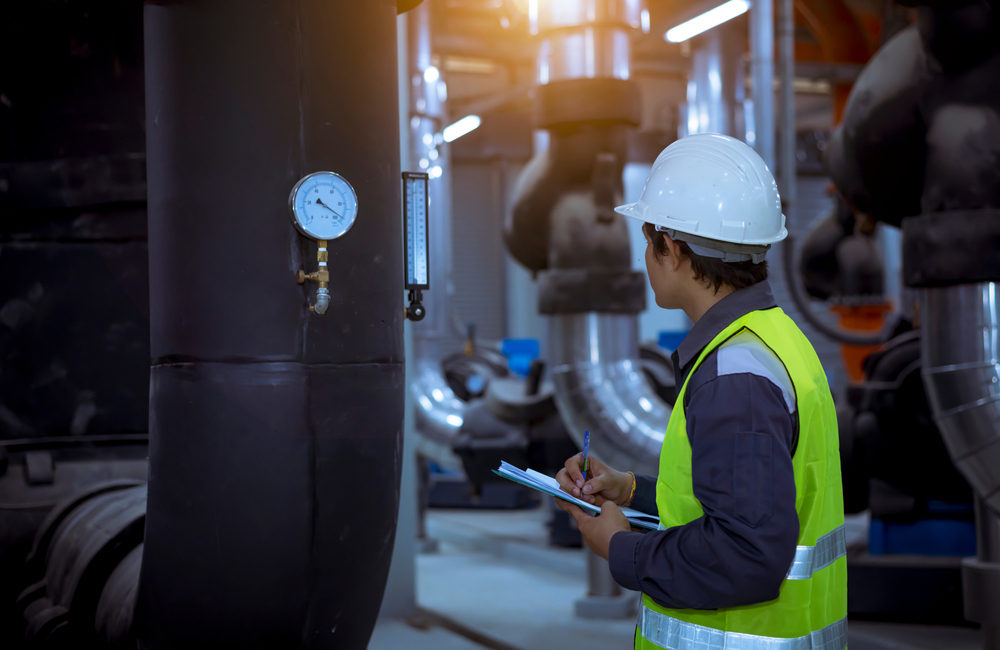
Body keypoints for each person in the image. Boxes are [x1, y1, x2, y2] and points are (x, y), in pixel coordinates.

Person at [554, 133, 847, 649]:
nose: (646, 259)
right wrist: (630, 490)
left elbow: (745, 555)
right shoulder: (775, 338)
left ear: (671, 247)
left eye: (648, 243)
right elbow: (741, 499)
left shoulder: (734, 376)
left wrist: (620, 547)